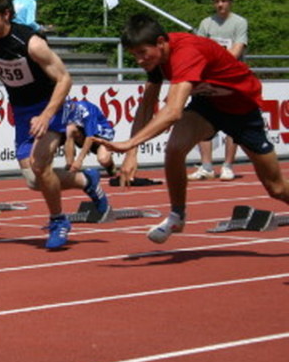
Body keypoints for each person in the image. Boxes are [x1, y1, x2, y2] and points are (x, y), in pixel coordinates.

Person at [98, 14, 287, 244]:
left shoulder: (186, 52)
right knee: (175, 148)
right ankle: (177, 215)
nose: (138, 60)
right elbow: (148, 103)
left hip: (242, 110)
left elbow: (173, 111)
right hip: (207, 105)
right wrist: (131, 154)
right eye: (133, 55)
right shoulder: (156, 60)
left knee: (276, 188)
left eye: (141, 53)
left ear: (160, 42)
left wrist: (131, 142)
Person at [0, 0, 110, 250]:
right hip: (22, 112)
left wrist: (47, 115)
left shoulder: (31, 43)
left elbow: (65, 78)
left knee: (39, 163)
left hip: (52, 107)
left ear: (6, 14)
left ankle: (59, 221)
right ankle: (87, 180)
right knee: (35, 180)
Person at [189, 0, 250, 181]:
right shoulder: (206, 23)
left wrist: (220, 64)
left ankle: (228, 165)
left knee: (233, 122)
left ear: (230, 2)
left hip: (231, 78)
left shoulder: (240, 23)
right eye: (216, 1)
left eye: (223, 1)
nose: (220, 5)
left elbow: (238, 49)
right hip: (209, 79)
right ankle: (206, 165)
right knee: (202, 119)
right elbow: (199, 48)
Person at [63, 99, 116, 176]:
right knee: (70, 128)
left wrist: (79, 161)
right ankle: (70, 166)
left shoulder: (85, 111)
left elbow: (90, 137)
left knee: (103, 159)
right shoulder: (61, 113)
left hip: (101, 135)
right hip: (83, 134)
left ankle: (110, 165)